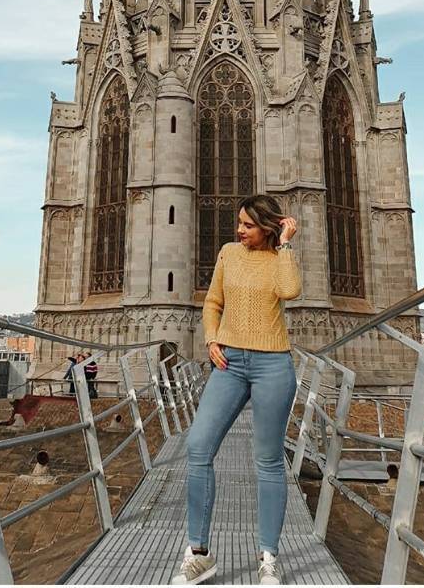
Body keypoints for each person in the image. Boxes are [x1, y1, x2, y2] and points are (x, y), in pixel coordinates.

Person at [172, 194, 301, 587]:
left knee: (268, 461)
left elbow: (290, 290)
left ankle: (268, 559)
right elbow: (213, 301)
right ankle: (199, 554)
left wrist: (286, 244)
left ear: (267, 227)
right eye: (238, 223)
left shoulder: (280, 257)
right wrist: (211, 339)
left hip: (272, 364)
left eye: (246, 225)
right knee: (198, 446)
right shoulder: (228, 253)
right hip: (229, 364)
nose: (238, 230)